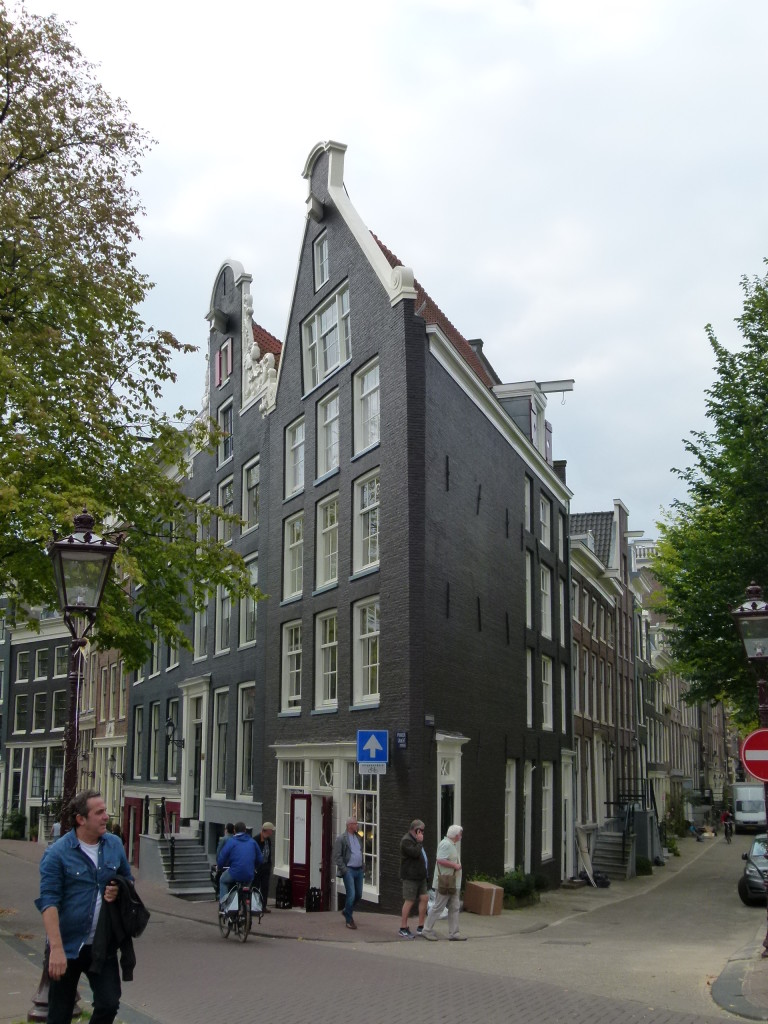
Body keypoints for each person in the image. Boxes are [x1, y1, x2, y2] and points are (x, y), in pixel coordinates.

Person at [35, 789, 135, 1024]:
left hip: (101, 944)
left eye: (105, 811)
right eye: (99, 812)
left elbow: (128, 879)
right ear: (81, 819)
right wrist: (56, 949)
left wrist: (120, 888)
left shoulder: (114, 844)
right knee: (59, 1014)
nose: (106, 817)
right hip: (66, 946)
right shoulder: (57, 854)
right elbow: (49, 902)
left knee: (109, 1004)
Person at [420, 824, 466, 942]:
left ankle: (454, 933)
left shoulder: (451, 844)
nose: (461, 836)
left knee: (454, 907)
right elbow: (440, 859)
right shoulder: (446, 844)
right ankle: (427, 930)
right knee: (438, 907)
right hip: (445, 882)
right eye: (460, 834)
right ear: (456, 835)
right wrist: (455, 865)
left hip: (452, 882)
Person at [216, 822, 262, 907]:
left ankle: (224, 906)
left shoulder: (231, 842)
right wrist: (254, 867)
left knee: (223, 880)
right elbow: (260, 858)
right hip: (249, 874)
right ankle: (245, 909)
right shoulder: (252, 842)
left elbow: (222, 856)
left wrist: (219, 867)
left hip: (235, 872)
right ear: (245, 830)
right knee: (246, 889)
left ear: (234, 831)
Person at [332, 816, 364, 929]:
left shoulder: (358, 837)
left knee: (359, 894)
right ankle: (349, 920)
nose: (357, 825)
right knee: (351, 894)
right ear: (349, 825)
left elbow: (360, 852)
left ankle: (346, 910)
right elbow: (337, 856)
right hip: (349, 870)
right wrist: (344, 869)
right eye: (355, 823)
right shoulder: (341, 838)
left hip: (359, 870)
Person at [399, 819, 428, 938]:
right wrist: (419, 842)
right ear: (415, 830)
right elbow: (415, 853)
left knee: (425, 898)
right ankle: (403, 927)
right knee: (409, 900)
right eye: (421, 830)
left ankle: (421, 926)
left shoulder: (415, 840)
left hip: (420, 876)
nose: (422, 833)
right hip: (410, 876)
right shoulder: (406, 841)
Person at [254, 821, 275, 913]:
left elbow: (268, 853)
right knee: (255, 886)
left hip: (266, 866)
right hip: (258, 867)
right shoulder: (256, 839)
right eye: (271, 830)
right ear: (268, 830)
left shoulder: (268, 840)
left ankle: (263, 906)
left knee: (265, 887)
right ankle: (254, 905)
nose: (272, 832)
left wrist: (269, 865)